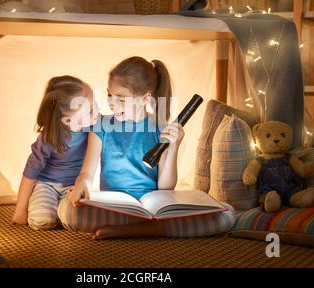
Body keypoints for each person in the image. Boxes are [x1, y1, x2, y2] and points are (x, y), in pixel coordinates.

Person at [58, 57, 235, 239]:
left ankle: (130, 229)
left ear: (144, 99)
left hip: (153, 207)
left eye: (121, 99)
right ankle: (150, 229)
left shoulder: (159, 128)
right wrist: (81, 184)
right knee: (66, 209)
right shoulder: (100, 125)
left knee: (227, 213)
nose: (111, 103)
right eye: (109, 95)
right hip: (115, 207)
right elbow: (87, 172)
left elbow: (166, 187)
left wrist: (173, 147)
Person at [12, 75, 98, 230]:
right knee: (41, 220)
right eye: (90, 110)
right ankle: (47, 206)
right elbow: (30, 173)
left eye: (95, 104)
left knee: (78, 219)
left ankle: (61, 210)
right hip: (46, 185)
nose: (97, 111)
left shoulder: (94, 129)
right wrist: (20, 210)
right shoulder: (49, 138)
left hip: (74, 186)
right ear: (67, 121)